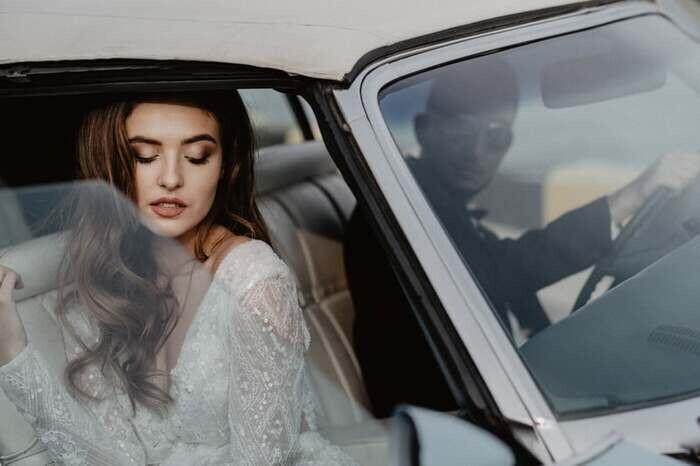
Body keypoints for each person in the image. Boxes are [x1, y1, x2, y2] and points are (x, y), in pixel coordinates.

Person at [0, 92, 357, 465]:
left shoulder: (255, 283)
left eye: (197, 157)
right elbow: (109, 460)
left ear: (227, 166)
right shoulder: (110, 283)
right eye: (144, 156)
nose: (171, 179)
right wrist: (13, 355)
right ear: (112, 164)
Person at [345, 57, 700, 417]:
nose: (476, 152)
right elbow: (500, 271)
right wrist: (630, 197)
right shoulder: (397, 210)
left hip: (504, 397)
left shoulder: (440, 209)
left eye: (496, 136)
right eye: (461, 131)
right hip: (454, 420)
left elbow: (499, 268)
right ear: (424, 129)